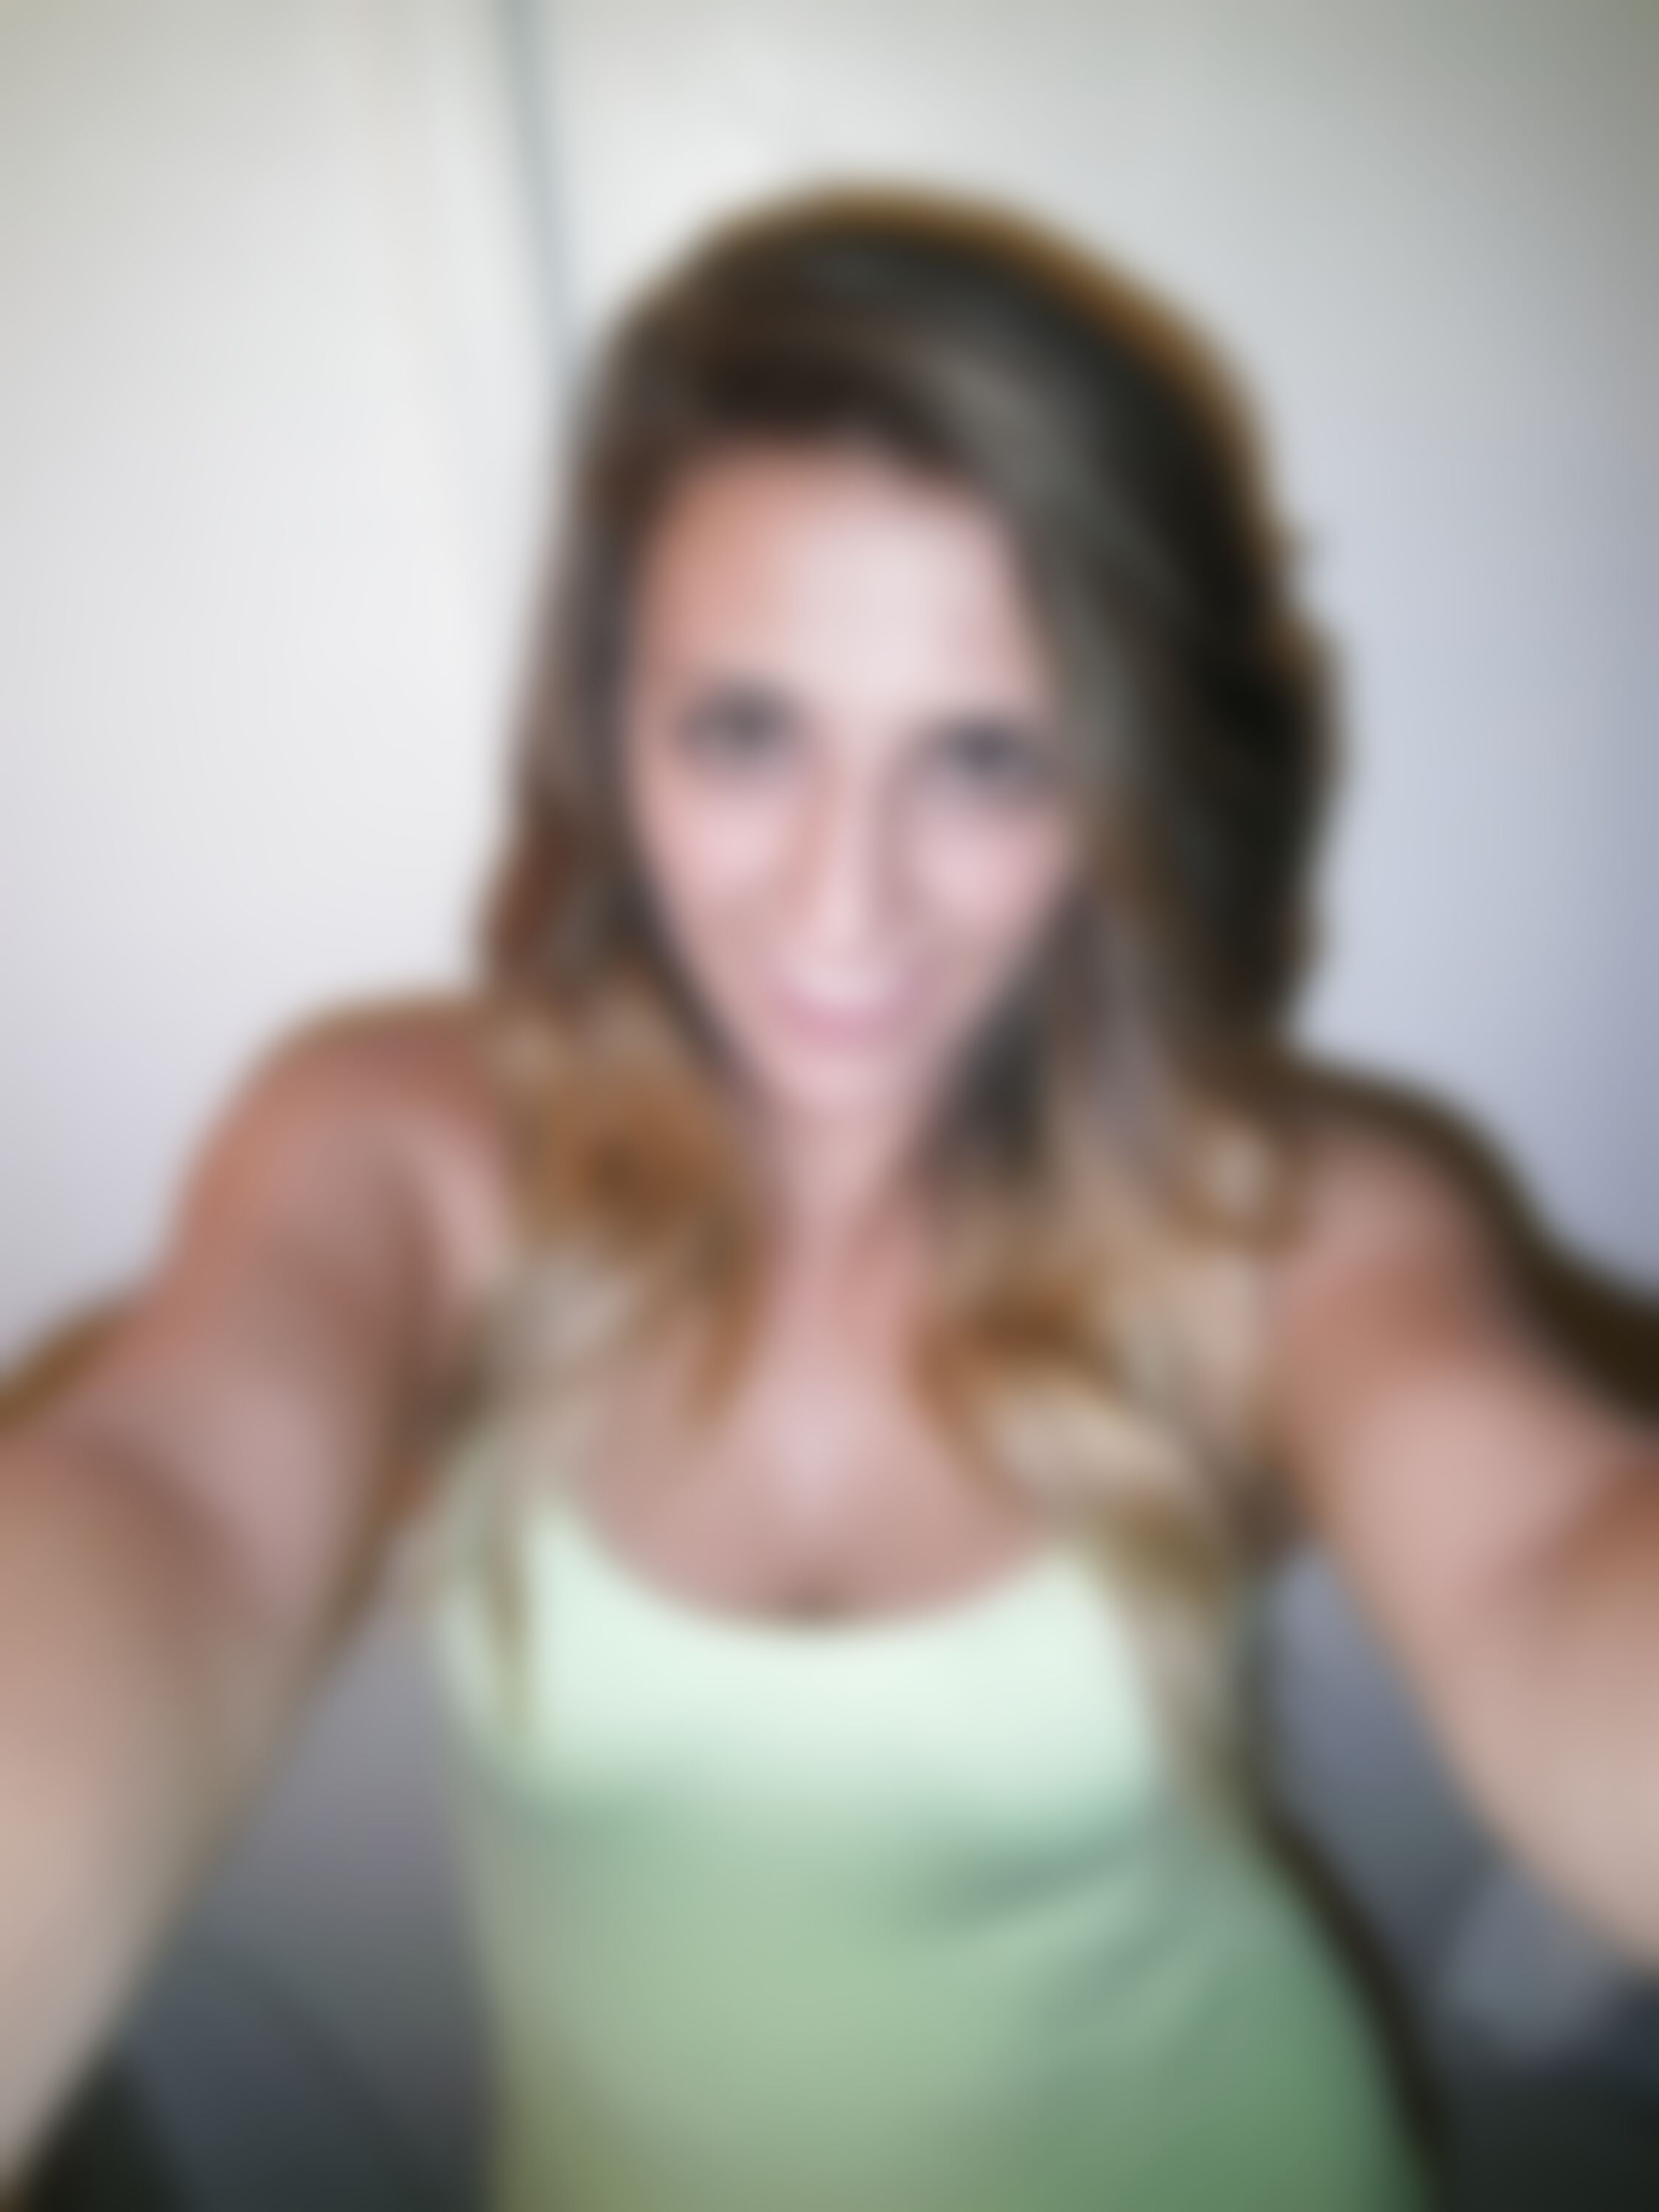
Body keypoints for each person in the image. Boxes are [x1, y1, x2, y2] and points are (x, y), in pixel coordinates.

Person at [2, 187, 1657, 2211]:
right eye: (746, 732)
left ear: (1120, 786)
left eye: (987, 758)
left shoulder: (1284, 1217)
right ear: (609, 729)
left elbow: (1548, 1554)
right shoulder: (411, 1149)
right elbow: (170, 1500)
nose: (841, 900)